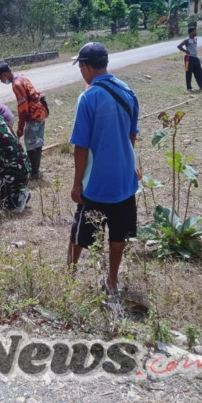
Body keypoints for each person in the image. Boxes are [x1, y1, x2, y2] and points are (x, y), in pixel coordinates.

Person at [68, 42, 139, 294]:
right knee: (118, 234)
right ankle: (112, 280)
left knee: (79, 233)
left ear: (86, 67)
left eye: (80, 67)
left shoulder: (88, 97)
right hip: (124, 181)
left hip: (96, 183)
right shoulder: (128, 91)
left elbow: (80, 146)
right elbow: (131, 137)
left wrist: (77, 183)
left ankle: (70, 275)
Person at [0, 61, 48, 179]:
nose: (2, 82)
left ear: (3, 75)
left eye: (0, 79)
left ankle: (34, 172)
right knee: (36, 142)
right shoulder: (22, 77)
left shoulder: (16, 84)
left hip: (33, 116)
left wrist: (20, 127)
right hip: (40, 112)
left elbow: (23, 109)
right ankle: (34, 170)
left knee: (32, 144)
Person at [176, 25, 202, 92]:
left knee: (199, 72)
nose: (196, 32)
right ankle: (189, 87)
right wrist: (185, 51)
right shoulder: (187, 40)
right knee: (188, 72)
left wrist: (195, 16)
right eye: (194, 31)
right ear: (190, 33)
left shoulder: (195, 39)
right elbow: (179, 46)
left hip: (195, 58)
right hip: (188, 58)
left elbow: (195, 24)